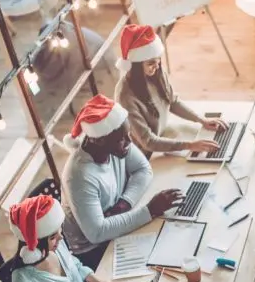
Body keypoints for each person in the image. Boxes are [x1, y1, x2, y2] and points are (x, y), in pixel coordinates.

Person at [62, 94, 184, 269]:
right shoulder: (79, 176)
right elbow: (97, 233)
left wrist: (123, 204)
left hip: (116, 224)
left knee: (170, 243)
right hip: (94, 250)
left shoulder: (114, 141)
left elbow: (144, 169)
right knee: (160, 262)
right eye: (122, 138)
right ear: (99, 139)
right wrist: (150, 210)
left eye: (128, 134)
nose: (130, 141)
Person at [113, 24, 226, 157]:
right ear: (136, 65)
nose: (157, 66)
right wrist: (189, 145)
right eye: (150, 63)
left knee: (208, 143)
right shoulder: (125, 97)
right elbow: (148, 141)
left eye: (158, 61)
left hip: (164, 135)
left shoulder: (156, 73)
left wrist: (201, 120)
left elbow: (172, 101)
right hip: (146, 153)